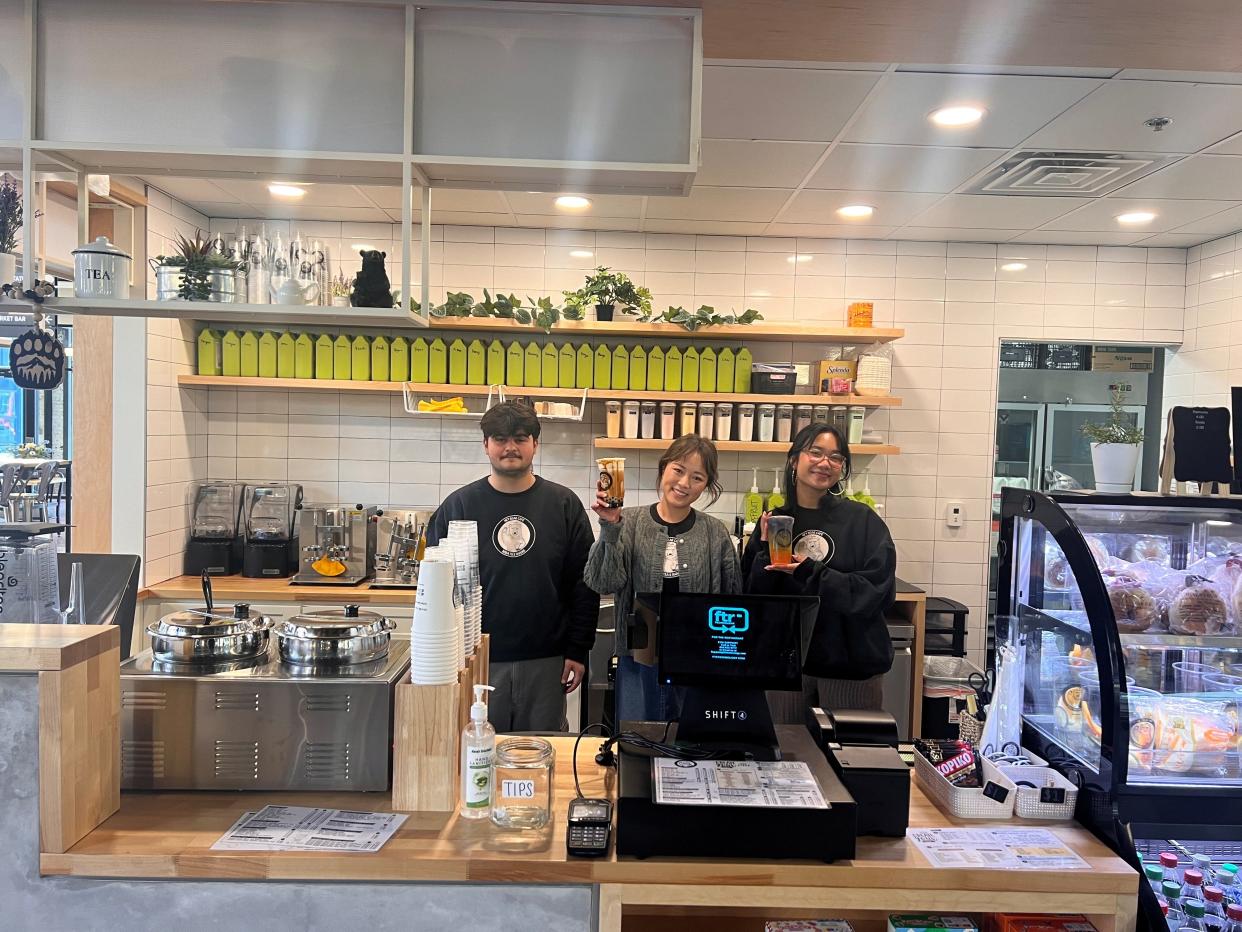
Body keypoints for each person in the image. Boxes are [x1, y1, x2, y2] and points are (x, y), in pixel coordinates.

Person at [426, 401, 599, 732]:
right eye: (500, 438)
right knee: (479, 752)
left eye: (520, 438)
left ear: (535, 443)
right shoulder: (459, 506)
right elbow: (436, 589)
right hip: (477, 658)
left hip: (547, 660)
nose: (510, 447)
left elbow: (584, 582)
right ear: (486, 444)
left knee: (542, 755)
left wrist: (578, 650)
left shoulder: (563, 504)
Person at [584, 434, 742, 722]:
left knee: (689, 747)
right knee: (636, 744)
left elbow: (732, 600)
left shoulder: (715, 532)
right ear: (664, 468)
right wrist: (609, 527)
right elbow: (602, 582)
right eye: (678, 470)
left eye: (697, 477)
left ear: (706, 485)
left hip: (696, 663)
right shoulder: (627, 522)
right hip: (636, 660)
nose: (684, 484)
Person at [742, 423, 896, 713]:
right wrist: (763, 551)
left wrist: (810, 573)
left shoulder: (861, 521)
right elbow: (753, 599)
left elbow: (876, 593)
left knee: (849, 755)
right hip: (786, 666)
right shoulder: (776, 523)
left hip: (850, 668)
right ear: (794, 459)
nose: (825, 463)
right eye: (816, 452)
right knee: (788, 754)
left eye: (836, 457)